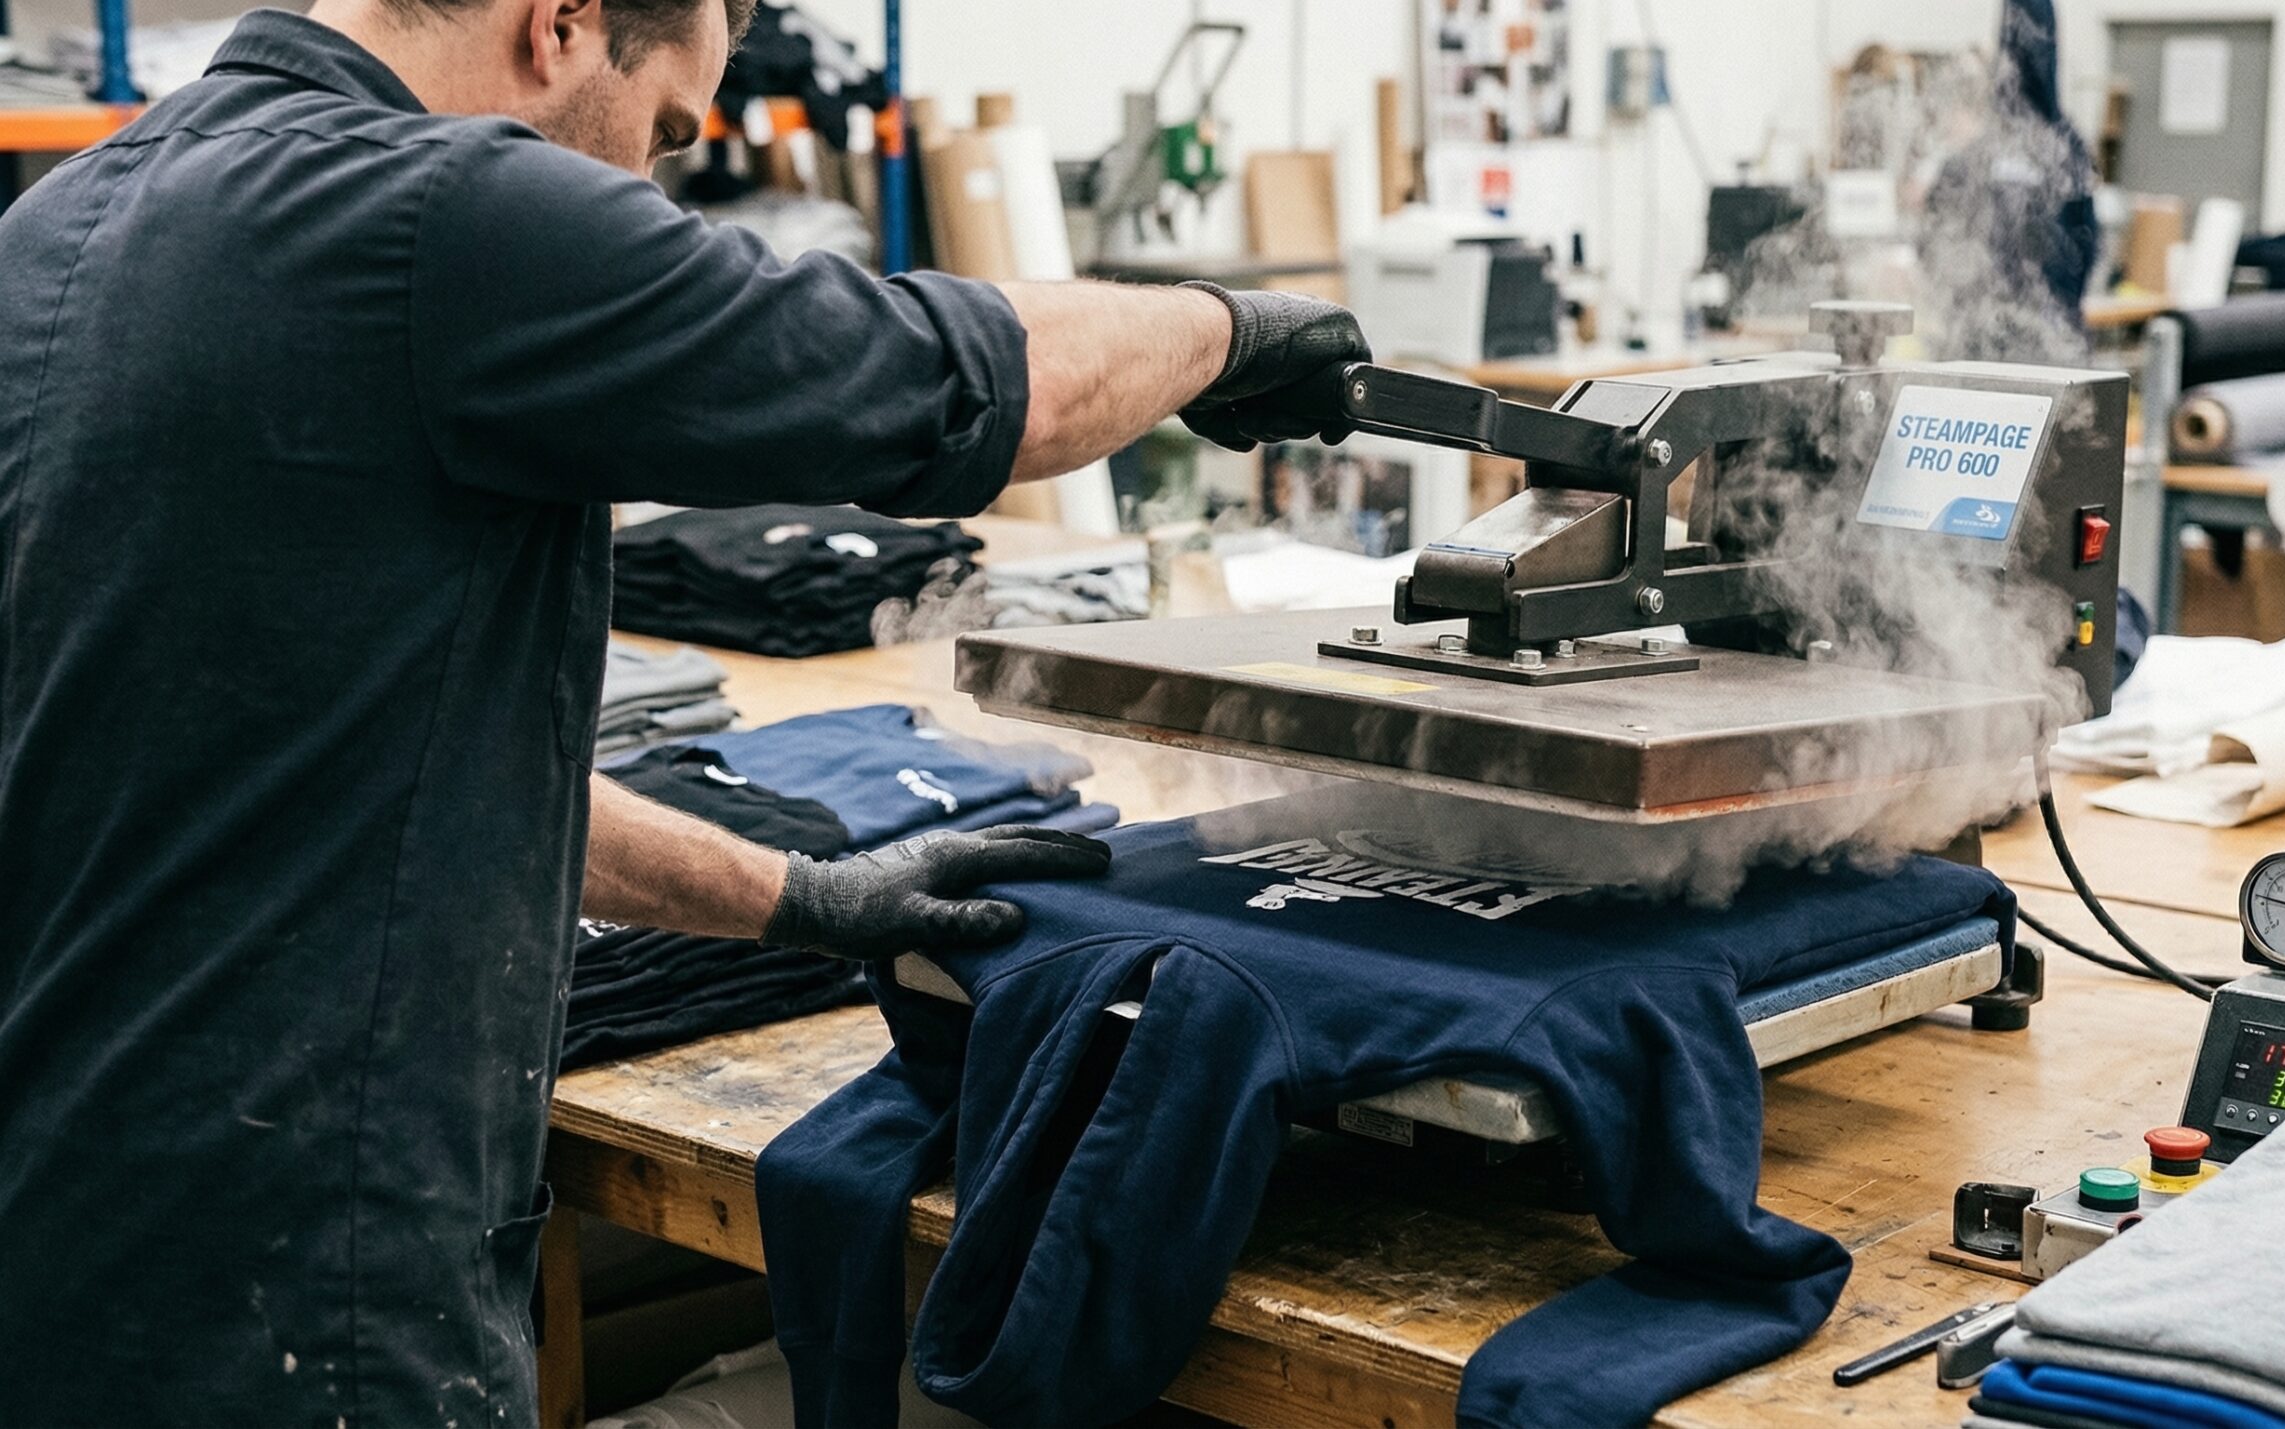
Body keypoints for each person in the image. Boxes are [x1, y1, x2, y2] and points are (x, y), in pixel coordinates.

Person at [0, 0, 1367, 1422]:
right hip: (300, 1273)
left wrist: (800, 897)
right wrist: (1225, 329)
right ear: (561, 23)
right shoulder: (445, 213)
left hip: (65, 1231)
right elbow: (962, 387)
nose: (648, 189)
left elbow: (384, 766)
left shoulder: (61, 229)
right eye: (660, 133)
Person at [1918, 0, 2101, 365]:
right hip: (2043, 344)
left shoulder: (1985, 150)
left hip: (1996, 345)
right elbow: (2088, 246)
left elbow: (1932, 240)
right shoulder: (2068, 146)